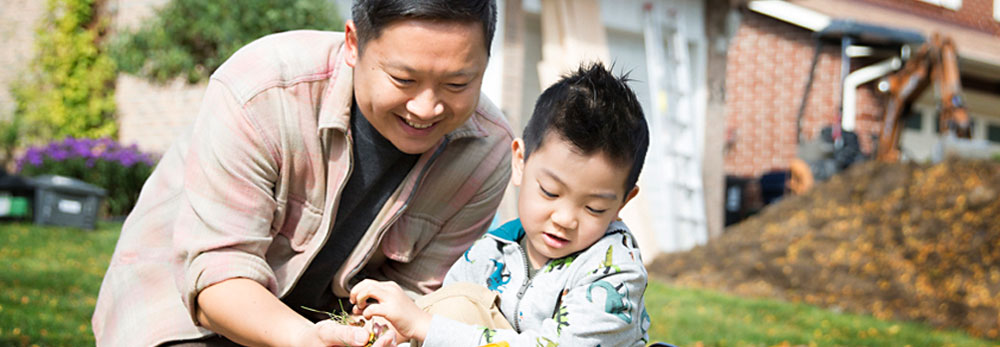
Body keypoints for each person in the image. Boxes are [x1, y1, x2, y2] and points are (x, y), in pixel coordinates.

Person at [91, 0, 513, 346]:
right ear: (353, 43)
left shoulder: (487, 152)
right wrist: (305, 340)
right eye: (403, 79)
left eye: (457, 85)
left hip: (327, 329)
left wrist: (372, 333)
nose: (426, 107)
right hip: (184, 314)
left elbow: (417, 293)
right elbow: (217, 276)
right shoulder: (262, 91)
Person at [348, 62, 652, 346]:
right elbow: (443, 313)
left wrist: (426, 326)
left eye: (593, 208)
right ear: (519, 162)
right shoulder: (493, 251)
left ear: (624, 202)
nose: (564, 219)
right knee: (454, 305)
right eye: (549, 191)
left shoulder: (614, 272)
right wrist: (398, 327)